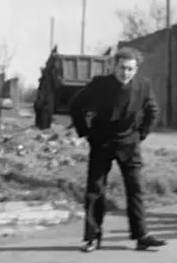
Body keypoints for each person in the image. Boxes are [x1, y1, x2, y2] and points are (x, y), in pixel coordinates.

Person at [70, 47, 166, 252]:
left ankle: (141, 235)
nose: (126, 73)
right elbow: (76, 105)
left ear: (136, 69)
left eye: (130, 69)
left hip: (129, 143)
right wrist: (86, 133)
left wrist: (140, 135)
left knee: (136, 188)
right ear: (114, 66)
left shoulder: (143, 86)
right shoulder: (99, 85)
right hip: (101, 142)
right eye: (122, 68)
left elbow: (153, 110)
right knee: (95, 190)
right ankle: (93, 237)